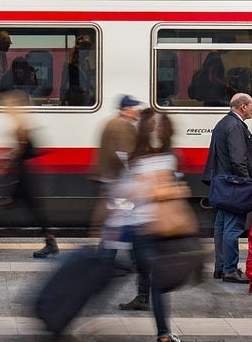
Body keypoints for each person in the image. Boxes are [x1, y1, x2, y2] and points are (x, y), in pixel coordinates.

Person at [103, 109, 183, 342]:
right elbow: (174, 193)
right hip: (161, 229)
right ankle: (163, 334)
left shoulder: (135, 159)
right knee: (157, 282)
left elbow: (125, 193)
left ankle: (87, 310)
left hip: (140, 228)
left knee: (129, 272)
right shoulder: (170, 158)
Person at [0, 91, 57, 258]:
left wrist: (5, 163)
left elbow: (21, 151)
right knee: (29, 210)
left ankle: (50, 243)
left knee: (32, 210)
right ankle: (50, 243)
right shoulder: (22, 125)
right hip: (26, 174)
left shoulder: (21, 126)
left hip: (27, 177)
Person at [204, 93, 252, 284]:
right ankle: (230, 270)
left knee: (221, 227)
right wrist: (247, 182)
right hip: (234, 186)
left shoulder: (223, 123)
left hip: (222, 184)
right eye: (251, 105)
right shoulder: (235, 126)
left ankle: (220, 267)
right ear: (243, 107)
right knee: (233, 228)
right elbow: (238, 159)